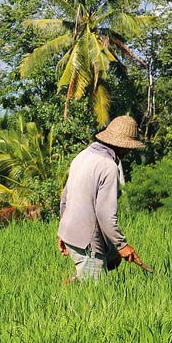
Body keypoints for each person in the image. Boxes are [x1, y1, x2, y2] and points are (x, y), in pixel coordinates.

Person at [57, 115, 145, 282]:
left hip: (71, 232)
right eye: (130, 147)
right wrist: (123, 245)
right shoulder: (108, 166)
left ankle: (78, 278)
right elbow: (105, 214)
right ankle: (63, 291)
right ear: (123, 146)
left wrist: (63, 232)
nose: (131, 150)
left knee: (112, 258)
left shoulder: (82, 156)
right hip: (86, 239)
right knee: (94, 293)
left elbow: (65, 198)